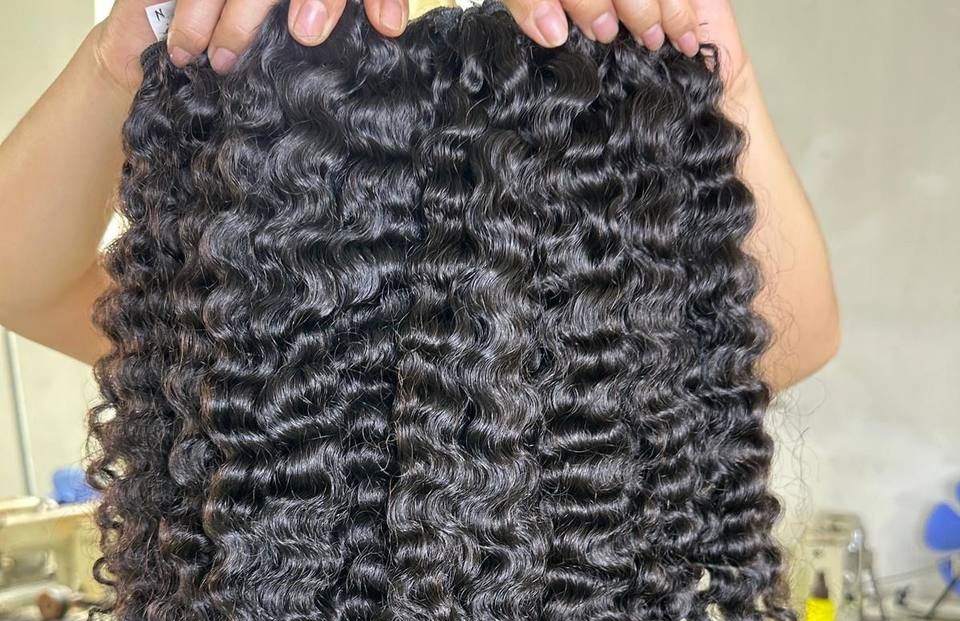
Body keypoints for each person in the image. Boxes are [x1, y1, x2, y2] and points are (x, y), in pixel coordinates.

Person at [0, 0, 839, 389]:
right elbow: (790, 337)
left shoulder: (235, 356)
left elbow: (793, 337)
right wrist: (715, 70)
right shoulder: (238, 341)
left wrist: (124, 57)